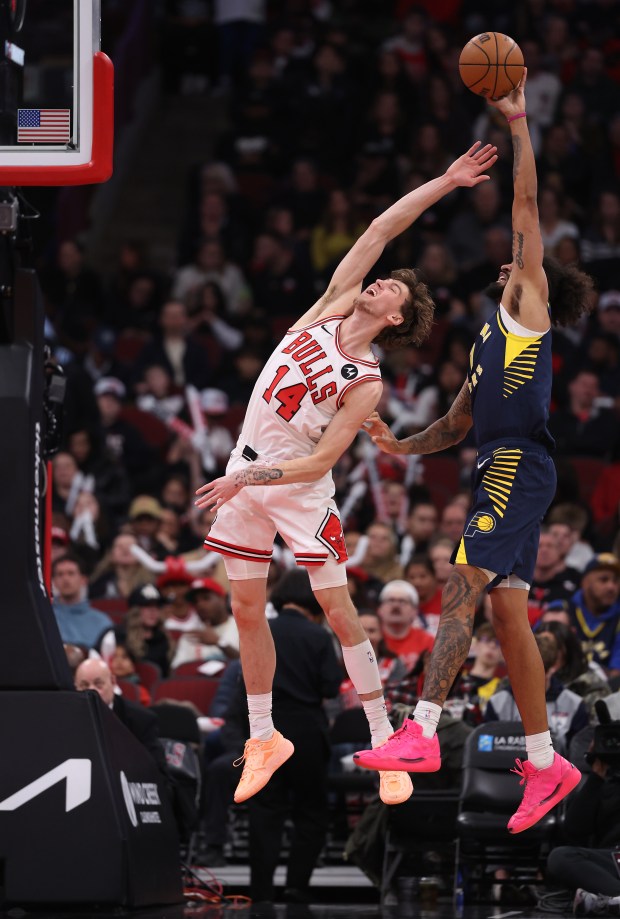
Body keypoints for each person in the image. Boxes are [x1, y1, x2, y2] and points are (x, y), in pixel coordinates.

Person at [195, 140, 498, 808]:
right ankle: (263, 737)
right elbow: (381, 227)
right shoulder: (329, 308)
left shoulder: (366, 381)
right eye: (383, 278)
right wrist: (446, 181)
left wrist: (249, 480)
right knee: (245, 608)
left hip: (297, 488)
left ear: (394, 318)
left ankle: (386, 739)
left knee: (337, 609)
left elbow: (320, 460)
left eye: (393, 289)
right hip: (246, 472)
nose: (381, 280)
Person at [354, 73, 594, 834]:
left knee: (460, 585)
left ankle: (422, 728)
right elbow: (458, 422)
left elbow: (525, 204)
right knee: (507, 613)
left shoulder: (527, 306)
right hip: (501, 461)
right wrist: (399, 444)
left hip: (518, 465)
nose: (506, 261)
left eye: (518, 260)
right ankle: (546, 761)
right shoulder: (488, 337)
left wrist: (518, 120)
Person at [52, 554, 113, 649]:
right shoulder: (45, 616)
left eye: (71, 573)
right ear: (54, 582)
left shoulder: (102, 621)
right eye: (60, 574)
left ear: (83, 580)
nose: (65, 579)